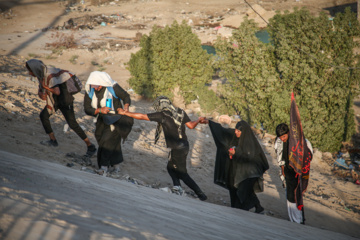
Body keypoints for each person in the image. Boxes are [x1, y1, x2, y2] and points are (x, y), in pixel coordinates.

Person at [117, 96, 208, 201]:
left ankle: (201, 194)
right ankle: (177, 188)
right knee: (170, 167)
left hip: (177, 148)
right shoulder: (180, 112)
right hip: (184, 145)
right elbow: (191, 126)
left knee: (182, 173)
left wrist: (125, 113)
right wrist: (198, 120)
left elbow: (142, 116)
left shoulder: (162, 114)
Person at [25, 59, 96, 157]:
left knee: (72, 124)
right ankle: (53, 140)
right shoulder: (41, 76)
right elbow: (43, 96)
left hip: (65, 100)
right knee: (43, 115)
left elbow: (57, 91)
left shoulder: (49, 75)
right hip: (55, 100)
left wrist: (45, 88)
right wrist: (41, 91)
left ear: (34, 69)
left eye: (30, 71)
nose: (29, 73)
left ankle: (90, 146)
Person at [202, 119, 269, 213]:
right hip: (241, 170)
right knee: (238, 188)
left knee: (242, 190)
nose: (236, 132)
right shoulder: (235, 136)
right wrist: (209, 122)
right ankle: (257, 207)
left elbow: (248, 157)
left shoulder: (249, 142)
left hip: (251, 172)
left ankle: (244, 210)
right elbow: (223, 131)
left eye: (239, 131)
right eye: (236, 130)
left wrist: (236, 153)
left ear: (244, 132)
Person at [84, 71, 133, 175]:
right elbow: (87, 109)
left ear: (101, 83)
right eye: (92, 85)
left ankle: (103, 167)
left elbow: (126, 96)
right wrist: (100, 110)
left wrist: (126, 109)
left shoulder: (112, 87)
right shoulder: (90, 91)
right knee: (102, 139)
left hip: (115, 119)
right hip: (100, 119)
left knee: (107, 142)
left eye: (96, 85)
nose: (94, 88)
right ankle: (116, 165)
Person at [274, 123, 313, 224]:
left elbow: (308, 154)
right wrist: (282, 169)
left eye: (284, 136)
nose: (282, 139)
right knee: (290, 194)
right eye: (280, 137)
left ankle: (299, 220)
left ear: (288, 133)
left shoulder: (297, 141)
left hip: (297, 173)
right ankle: (293, 219)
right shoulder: (278, 142)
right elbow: (280, 157)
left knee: (297, 195)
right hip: (288, 171)